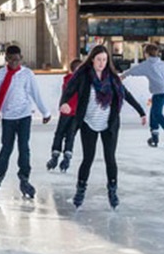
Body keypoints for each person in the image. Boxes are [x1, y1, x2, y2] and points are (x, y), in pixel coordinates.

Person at [58, 45, 146, 209]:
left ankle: (112, 191)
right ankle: (80, 189)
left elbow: (125, 94)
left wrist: (141, 112)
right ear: (92, 59)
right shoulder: (83, 76)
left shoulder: (112, 77)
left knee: (110, 158)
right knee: (88, 158)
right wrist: (63, 103)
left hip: (109, 124)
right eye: (99, 59)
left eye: (104, 60)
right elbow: (69, 90)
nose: (101, 63)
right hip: (89, 123)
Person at [0, 45, 52, 199]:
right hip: (8, 118)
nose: (14, 63)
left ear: (21, 58)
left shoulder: (27, 74)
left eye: (17, 59)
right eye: (11, 59)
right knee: (6, 148)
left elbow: (35, 94)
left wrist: (45, 112)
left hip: (24, 117)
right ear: (6, 59)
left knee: (24, 148)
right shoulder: (1, 74)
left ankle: (24, 178)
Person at [122, 44, 164, 150]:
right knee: (153, 113)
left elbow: (135, 70)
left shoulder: (147, 65)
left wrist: (124, 75)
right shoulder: (163, 64)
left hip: (160, 92)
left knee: (157, 114)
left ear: (146, 54)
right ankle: (154, 137)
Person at [47, 58, 82, 172]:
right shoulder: (71, 80)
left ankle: (64, 156)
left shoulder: (76, 80)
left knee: (67, 134)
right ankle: (58, 155)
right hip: (68, 112)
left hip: (75, 113)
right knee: (63, 134)